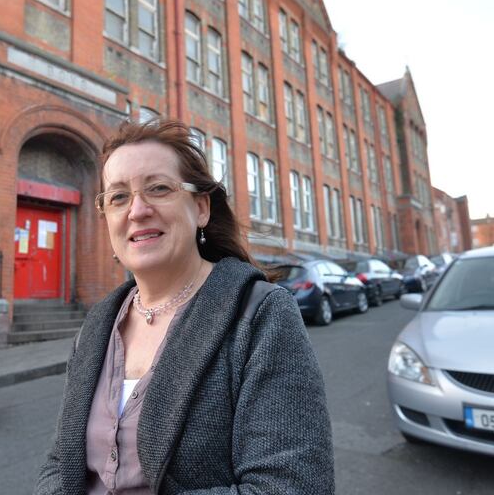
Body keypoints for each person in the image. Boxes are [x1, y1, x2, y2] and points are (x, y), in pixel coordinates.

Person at [34, 120, 334, 495]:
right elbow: (60, 463)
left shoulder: (261, 316)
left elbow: (292, 485)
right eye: (119, 197)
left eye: (158, 188)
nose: (137, 210)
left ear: (201, 208)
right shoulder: (97, 326)